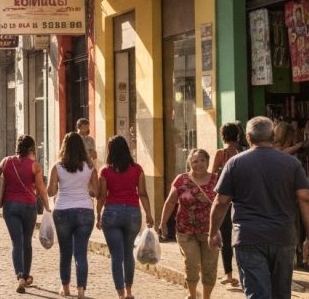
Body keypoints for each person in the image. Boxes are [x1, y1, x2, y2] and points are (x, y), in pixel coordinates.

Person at [210, 116, 309, 299]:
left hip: (248, 237)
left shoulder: (235, 163)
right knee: (281, 294)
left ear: (249, 138)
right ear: (273, 136)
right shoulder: (291, 163)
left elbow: (221, 202)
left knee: (257, 293)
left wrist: (213, 232)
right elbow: (305, 199)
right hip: (283, 236)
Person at [96, 134, 155, 299]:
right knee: (128, 253)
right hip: (132, 213)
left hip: (112, 213)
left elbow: (101, 196)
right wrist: (149, 215)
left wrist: (98, 214)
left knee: (116, 255)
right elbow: (142, 193)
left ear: (110, 151)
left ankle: (120, 294)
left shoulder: (105, 171)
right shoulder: (137, 169)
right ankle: (129, 291)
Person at [159, 149, 218, 299]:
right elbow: (171, 201)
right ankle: (192, 295)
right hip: (185, 230)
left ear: (208, 161)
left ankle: (206, 297)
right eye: (194, 161)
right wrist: (163, 223)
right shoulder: (181, 179)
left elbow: (223, 203)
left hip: (210, 231)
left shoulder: (216, 180)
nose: (198, 164)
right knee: (191, 264)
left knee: (209, 267)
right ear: (189, 163)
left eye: (202, 160)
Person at [48, 132, 97, 299]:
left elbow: (51, 191)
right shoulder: (90, 167)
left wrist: (59, 185)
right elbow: (96, 191)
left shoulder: (57, 166)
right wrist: (84, 188)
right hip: (85, 211)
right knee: (81, 253)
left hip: (62, 211)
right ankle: (81, 290)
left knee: (65, 252)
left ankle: (66, 287)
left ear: (64, 147)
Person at [0, 135, 50, 294]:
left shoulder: (6, 161)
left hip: (10, 205)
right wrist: (47, 206)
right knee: (27, 241)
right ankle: (26, 275)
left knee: (16, 242)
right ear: (31, 149)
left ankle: (20, 276)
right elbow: (41, 188)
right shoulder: (35, 166)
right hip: (29, 205)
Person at [211, 122, 243, 287]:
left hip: (225, 199)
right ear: (237, 135)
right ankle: (244, 273)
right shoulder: (244, 151)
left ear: (222, 136)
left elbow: (213, 176)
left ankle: (229, 274)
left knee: (225, 235)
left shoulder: (222, 153)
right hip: (242, 199)